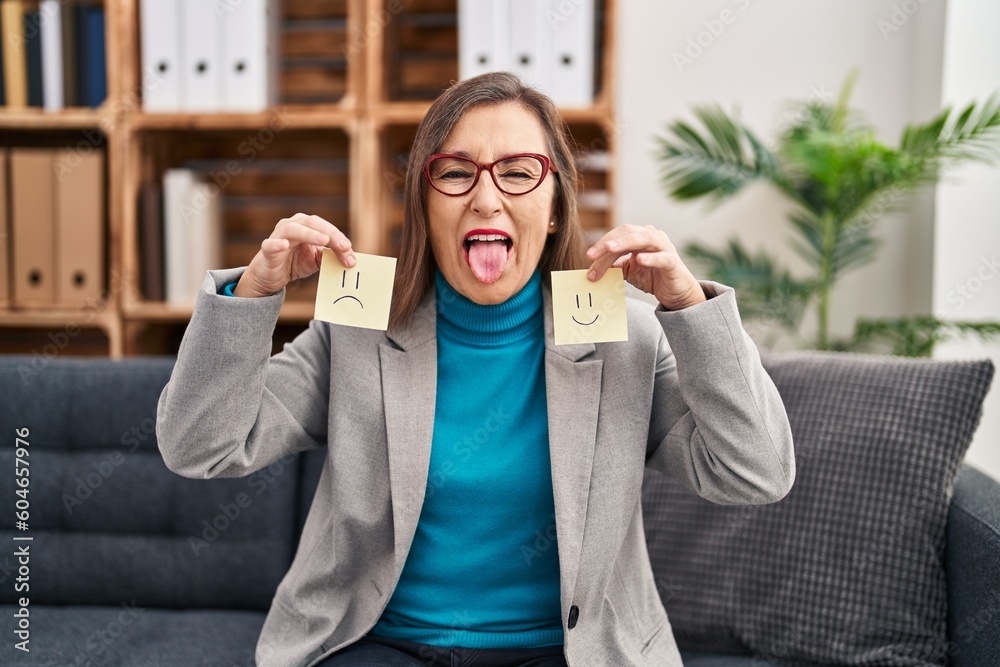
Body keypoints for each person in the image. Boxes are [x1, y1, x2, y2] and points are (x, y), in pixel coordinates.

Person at [156, 72, 795, 667]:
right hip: (382, 641)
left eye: (518, 172)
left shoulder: (624, 335)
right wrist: (253, 299)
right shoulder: (356, 330)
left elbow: (755, 471)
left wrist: (688, 309)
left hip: (567, 649)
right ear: (425, 207)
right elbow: (200, 447)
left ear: (553, 209)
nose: (486, 199)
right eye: (456, 173)